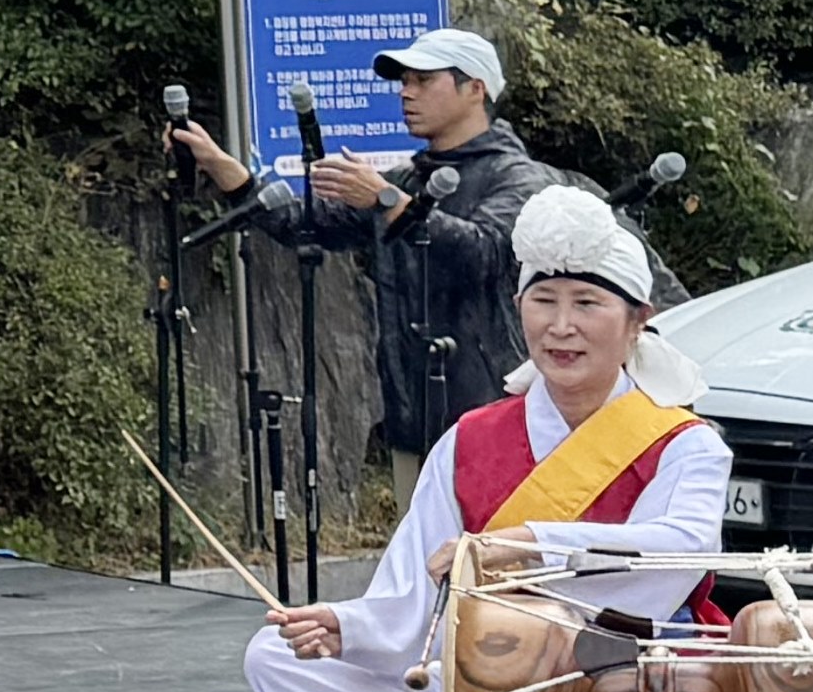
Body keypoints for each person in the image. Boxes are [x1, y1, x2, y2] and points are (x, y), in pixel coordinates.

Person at [244, 183, 730, 692]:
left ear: (638, 319)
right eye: (544, 302)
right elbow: (415, 590)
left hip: (611, 674)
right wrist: (352, 628)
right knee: (275, 655)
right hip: (477, 675)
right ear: (518, 307)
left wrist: (530, 545)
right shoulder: (470, 439)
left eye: (587, 303)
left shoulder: (685, 444)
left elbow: (680, 554)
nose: (561, 327)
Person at [170, 27, 561, 491]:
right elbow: (307, 225)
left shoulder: (518, 177)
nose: (405, 92)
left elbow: (486, 253)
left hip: (493, 410)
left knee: (490, 554)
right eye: (404, 81)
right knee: (418, 559)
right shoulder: (405, 179)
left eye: (421, 80)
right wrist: (227, 171)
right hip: (410, 415)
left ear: (474, 89)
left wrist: (388, 201)